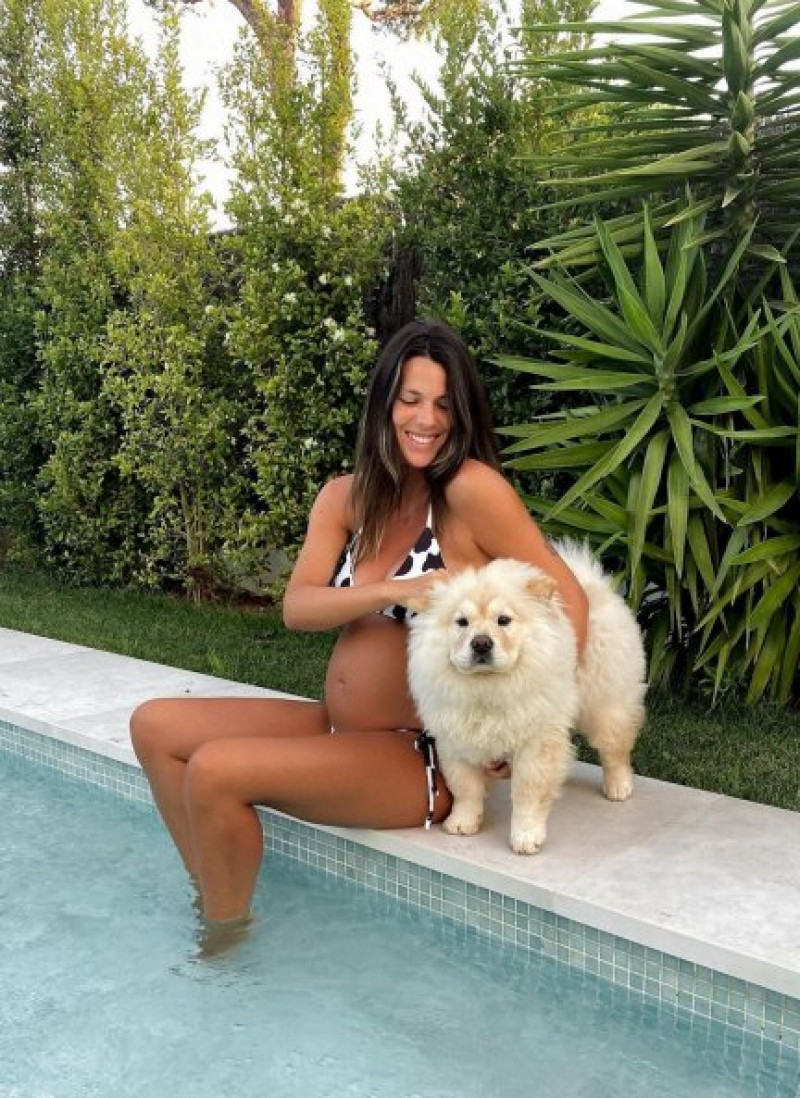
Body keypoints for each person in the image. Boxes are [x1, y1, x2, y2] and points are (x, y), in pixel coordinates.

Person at [130, 319, 588, 932]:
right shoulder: (345, 497)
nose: (427, 419)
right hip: (338, 724)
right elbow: (298, 608)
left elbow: (568, 597)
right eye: (411, 399)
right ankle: (213, 888)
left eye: (444, 405)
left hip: (419, 754)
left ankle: (224, 940)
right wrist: (393, 591)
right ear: (384, 404)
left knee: (216, 771)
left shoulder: (469, 492)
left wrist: (530, 721)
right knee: (154, 725)